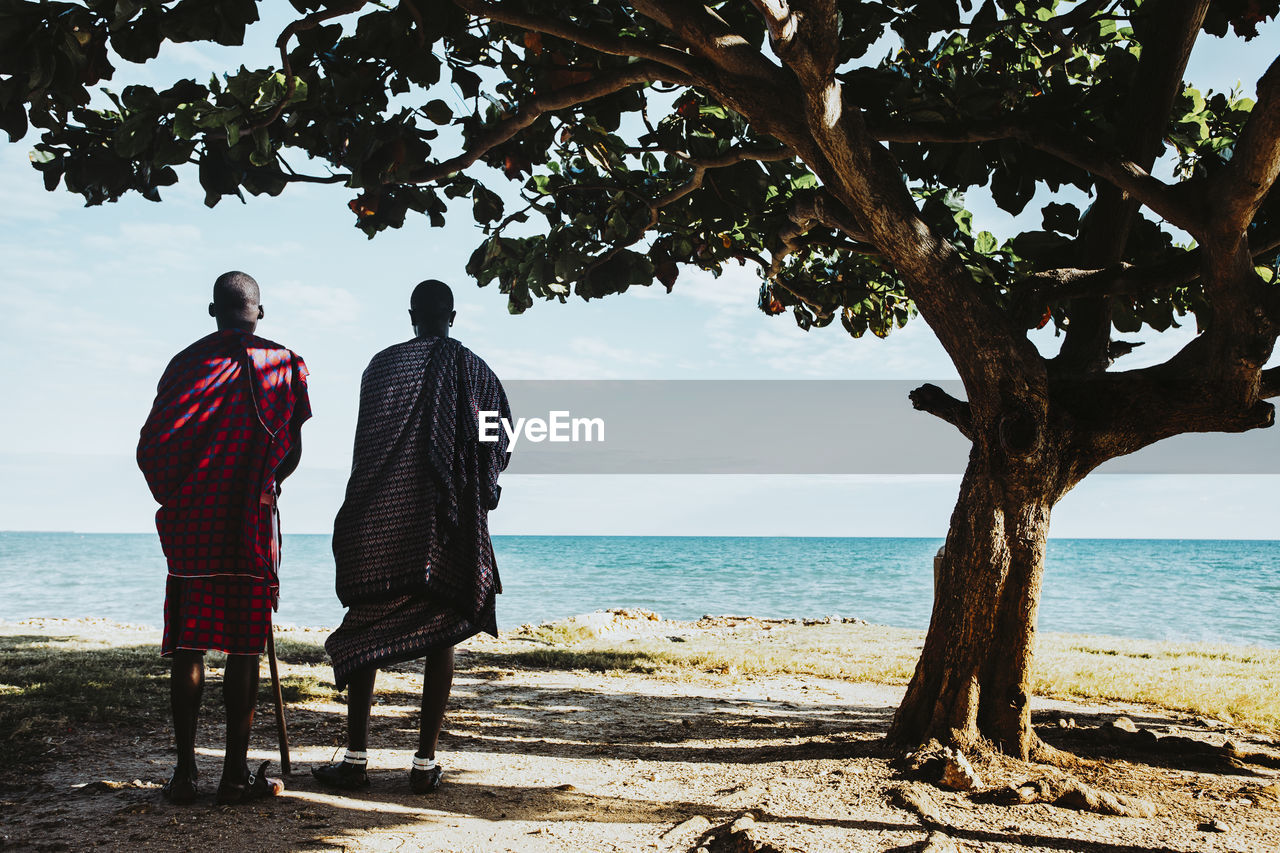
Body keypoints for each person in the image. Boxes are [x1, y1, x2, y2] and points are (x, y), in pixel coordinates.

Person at [313, 279, 510, 795]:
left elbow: (367, 449)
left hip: (379, 518)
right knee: (441, 627)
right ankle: (424, 764)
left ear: (411, 316)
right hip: (445, 523)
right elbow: (501, 433)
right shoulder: (475, 370)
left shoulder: (380, 366)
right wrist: (478, 479)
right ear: (453, 316)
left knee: (364, 629)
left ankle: (355, 761)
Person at [138, 271, 311, 806]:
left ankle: (185, 775)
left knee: (189, 644)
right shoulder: (285, 364)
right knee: (243, 646)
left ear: (213, 310)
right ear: (260, 311)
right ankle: (234, 776)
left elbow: (153, 448)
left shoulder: (186, 363)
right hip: (249, 523)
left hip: (193, 521)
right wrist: (264, 481)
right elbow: (292, 452)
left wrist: (180, 492)